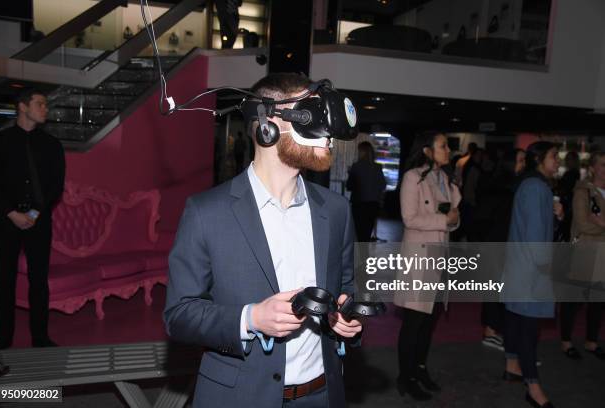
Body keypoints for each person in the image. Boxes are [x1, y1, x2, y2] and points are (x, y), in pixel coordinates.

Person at [164, 73, 362, 408]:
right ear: (268, 123)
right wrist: (250, 319)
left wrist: (347, 317)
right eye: (312, 115)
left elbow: (347, 287)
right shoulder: (205, 212)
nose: (327, 133)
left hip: (321, 395)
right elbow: (179, 315)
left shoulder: (336, 210)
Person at [0, 88, 65, 349]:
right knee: (4, 280)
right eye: (40, 104)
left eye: (45, 104)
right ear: (22, 107)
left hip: (39, 221)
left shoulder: (52, 145)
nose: (45, 109)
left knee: (38, 281)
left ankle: (40, 337)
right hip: (5, 220)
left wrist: (33, 214)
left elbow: (55, 186)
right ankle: (2, 339)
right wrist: (11, 213)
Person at [395, 132, 461, 401]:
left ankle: (419, 369)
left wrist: (452, 220)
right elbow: (409, 218)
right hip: (420, 260)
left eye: (447, 146)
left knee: (428, 322)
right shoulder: (413, 178)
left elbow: (453, 218)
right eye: (443, 146)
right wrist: (444, 221)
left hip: (440, 258)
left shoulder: (444, 179)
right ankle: (405, 376)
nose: (448, 150)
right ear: (427, 150)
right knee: (414, 323)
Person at [503, 141, 563, 408]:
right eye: (554, 157)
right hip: (531, 271)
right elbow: (537, 237)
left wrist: (557, 216)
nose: (558, 162)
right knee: (529, 329)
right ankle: (533, 386)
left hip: (520, 267)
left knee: (517, 320)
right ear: (539, 159)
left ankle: (512, 365)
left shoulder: (529, 185)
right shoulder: (537, 187)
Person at [475, 148, 525, 350]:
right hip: (497, 243)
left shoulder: (503, 185)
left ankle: (492, 330)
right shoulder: (505, 187)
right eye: (520, 160)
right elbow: (489, 218)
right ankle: (490, 331)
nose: (523, 164)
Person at [561, 151, 605, 360]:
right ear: (593, 167)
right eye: (603, 164)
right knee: (574, 300)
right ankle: (566, 340)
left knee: (599, 301)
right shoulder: (583, 191)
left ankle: (592, 341)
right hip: (585, 252)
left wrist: (600, 223)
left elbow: (593, 223)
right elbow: (582, 223)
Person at [346, 141, 386, 242]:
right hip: (373, 204)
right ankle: (364, 255)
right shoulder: (377, 167)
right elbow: (383, 185)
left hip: (359, 204)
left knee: (358, 233)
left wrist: (350, 173)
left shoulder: (356, 167)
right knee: (367, 233)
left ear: (361, 152)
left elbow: (349, 186)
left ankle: (358, 256)